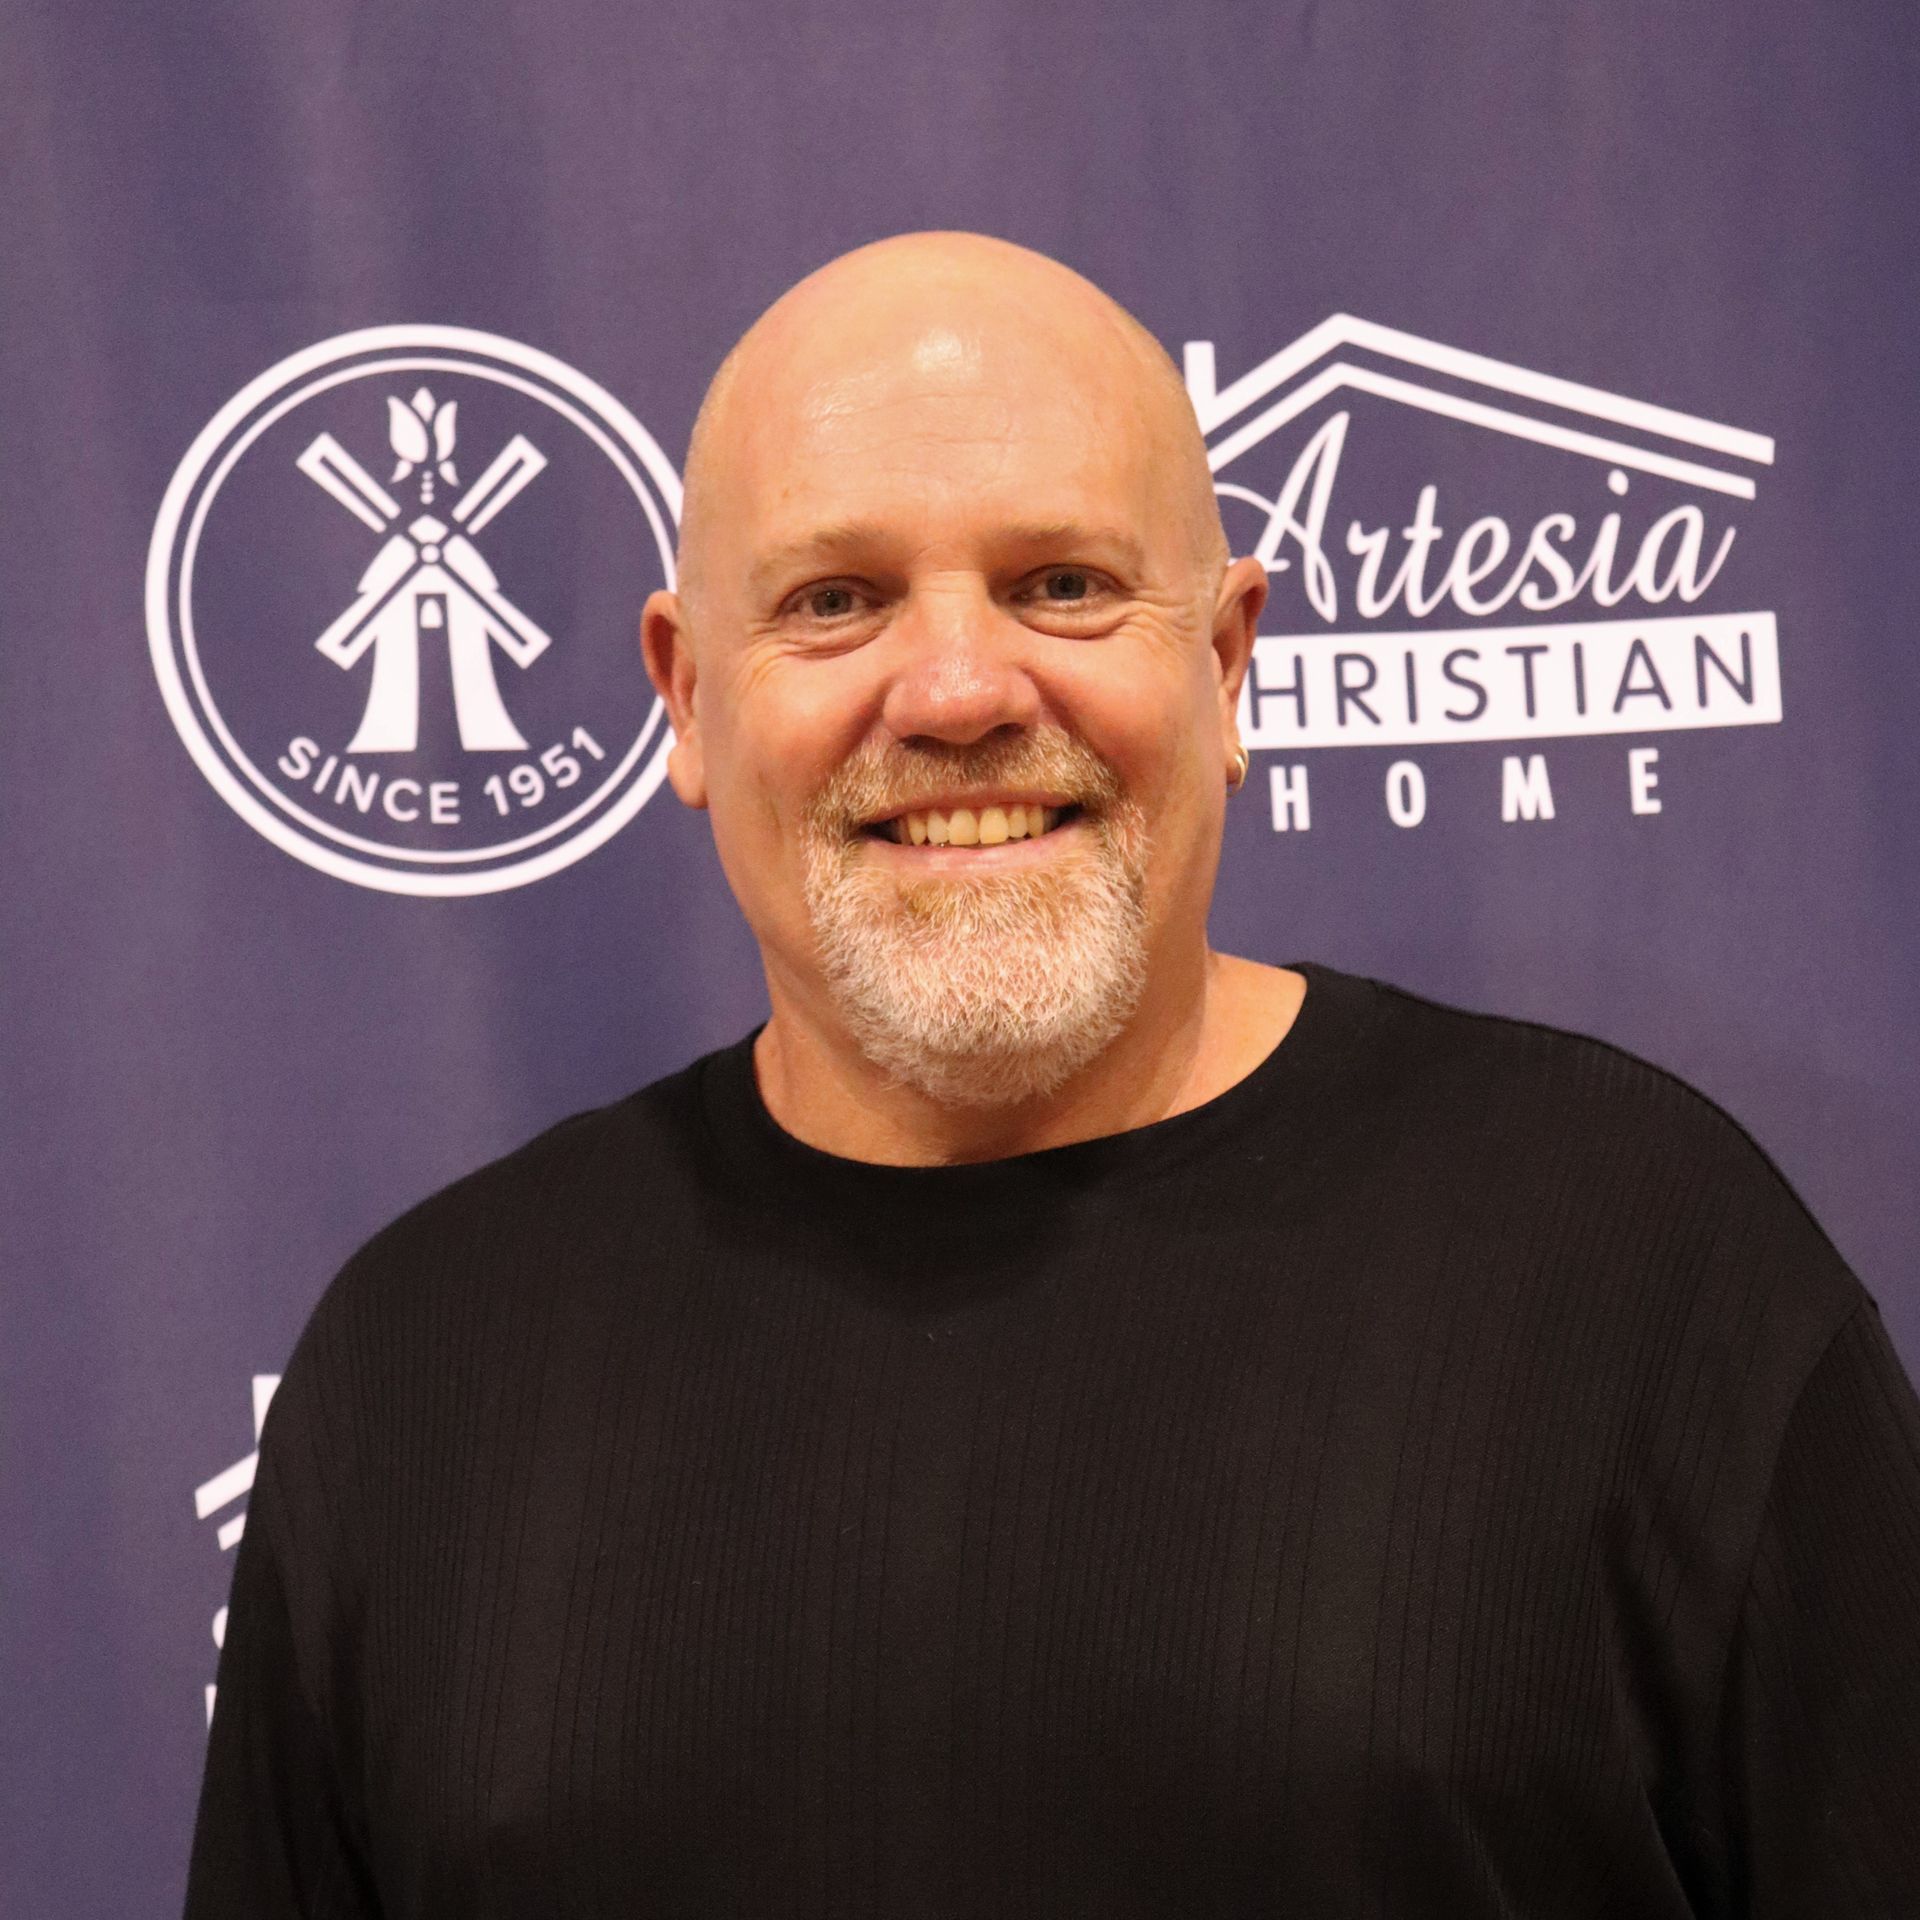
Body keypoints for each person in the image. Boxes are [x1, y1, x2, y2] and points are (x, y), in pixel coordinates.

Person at [184, 233, 1920, 1917]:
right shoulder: (423, 1371)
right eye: (834, 600)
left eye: (1064, 585)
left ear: (1229, 661)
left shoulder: (1646, 1273)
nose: (951, 691)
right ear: (685, 699)